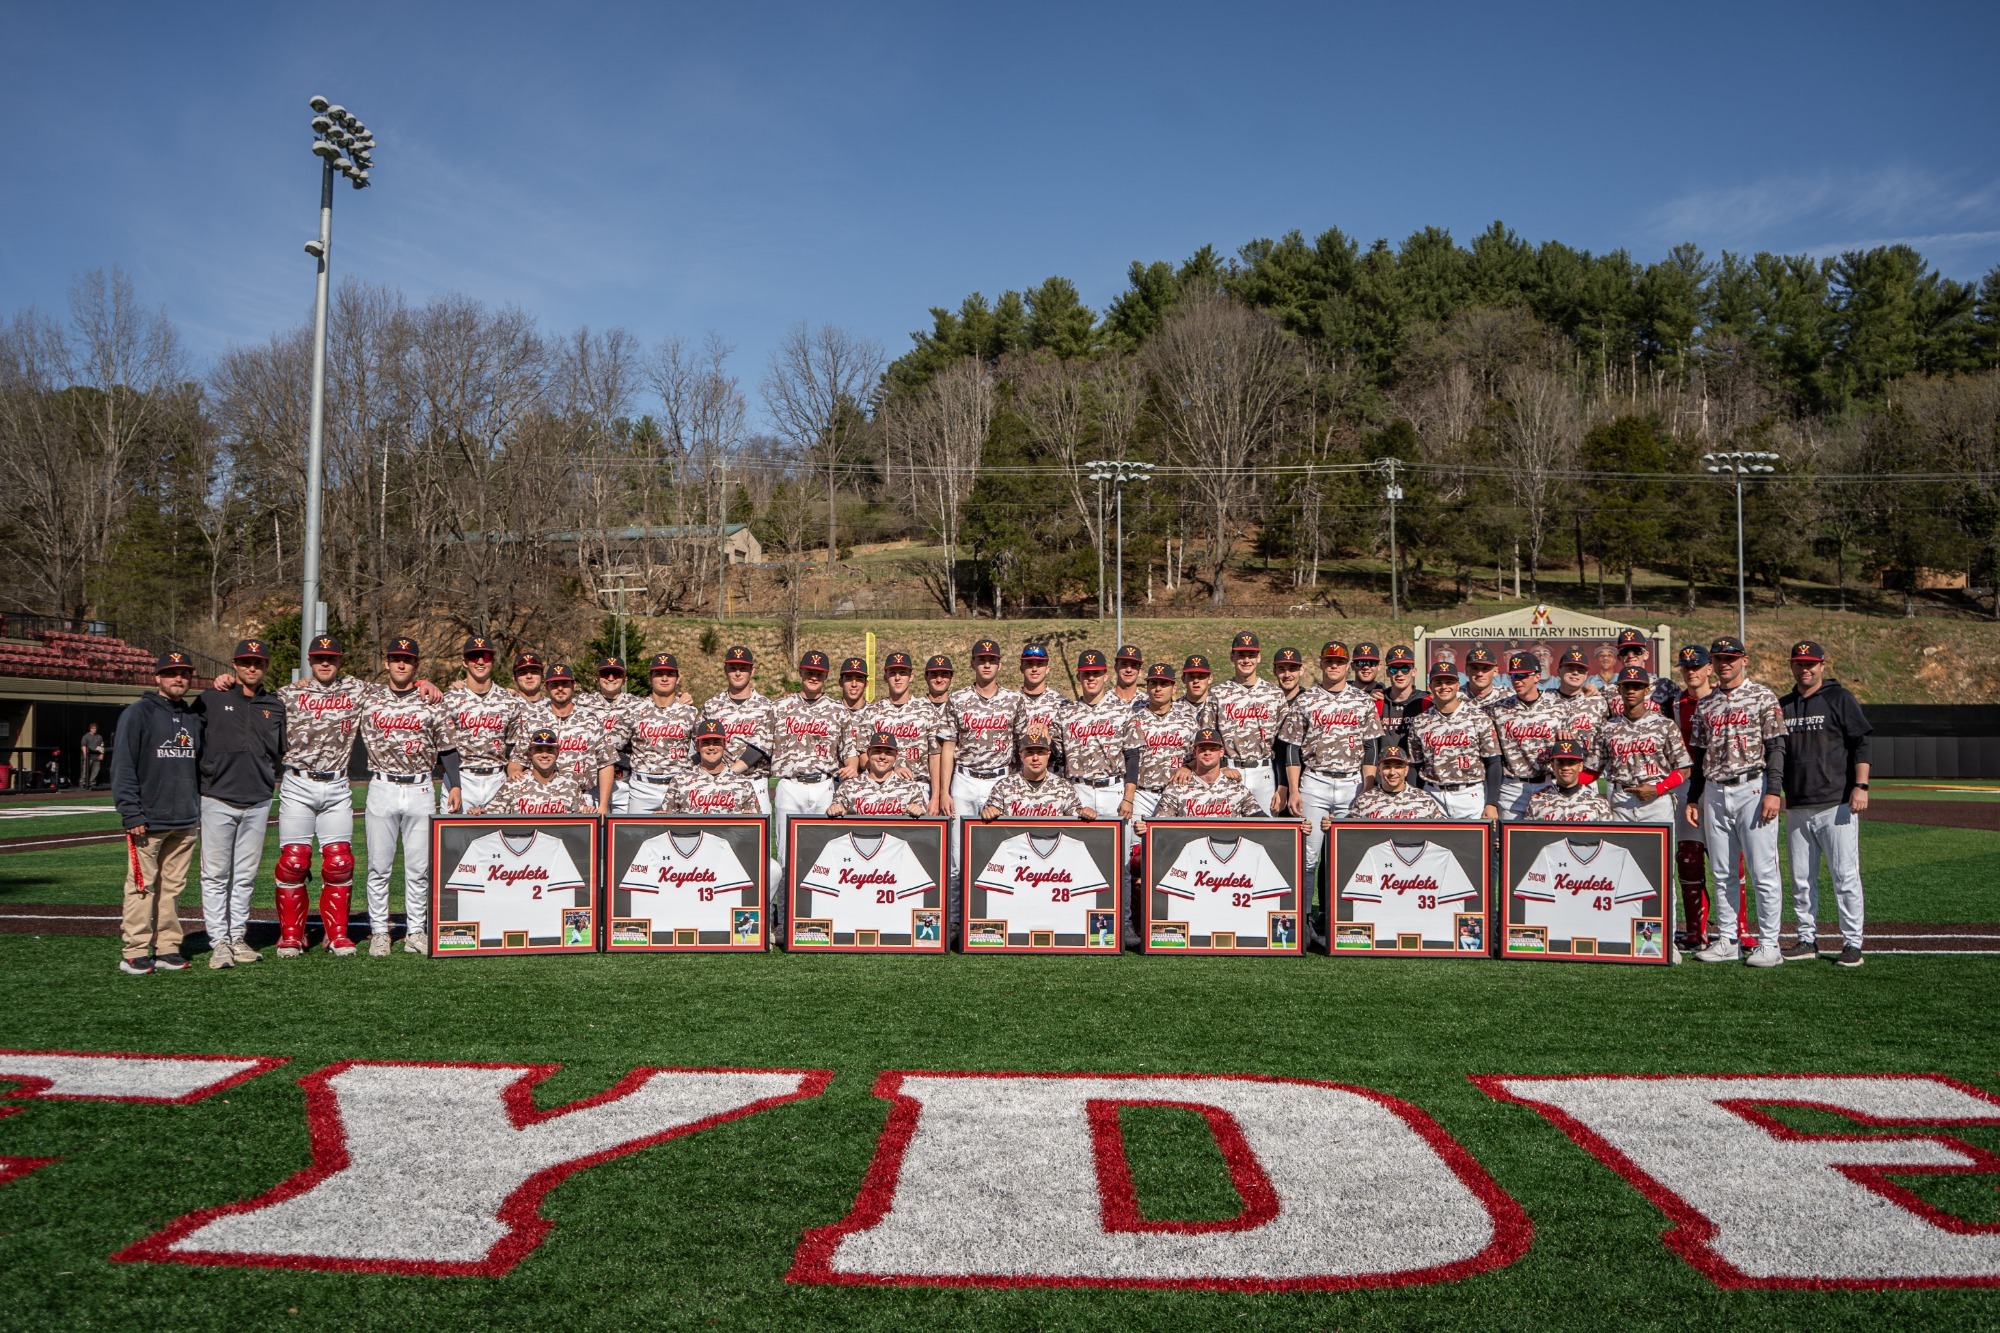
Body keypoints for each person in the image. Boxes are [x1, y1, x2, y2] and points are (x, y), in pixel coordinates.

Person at [1687, 635, 1789, 967]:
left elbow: (1776, 747)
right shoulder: (1706, 704)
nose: (1724, 663)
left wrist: (1774, 790)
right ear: (1712, 664)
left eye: (1730, 657)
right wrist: (1693, 797)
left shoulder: (1762, 696)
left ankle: (1770, 942)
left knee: (1762, 869)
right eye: (1718, 658)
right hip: (1715, 790)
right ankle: (1728, 939)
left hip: (1752, 787)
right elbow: (1699, 754)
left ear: (1744, 660)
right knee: (1722, 869)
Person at [357, 637, 460, 956]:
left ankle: (415, 930)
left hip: (420, 787)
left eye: (408, 659)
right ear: (386, 662)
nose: (401, 663)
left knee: (418, 867)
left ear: (416, 665)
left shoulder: (431, 699)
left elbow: (448, 747)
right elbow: (328, 684)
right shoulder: (367, 695)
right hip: (382, 786)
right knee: (379, 865)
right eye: (396, 658)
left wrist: (454, 783)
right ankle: (379, 932)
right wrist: (305, 679)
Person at [273, 635, 370, 958]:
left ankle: (337, 933)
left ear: (340, 661)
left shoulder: (357, 690)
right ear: (309, 661)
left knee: (340, 861)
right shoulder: (289, 693)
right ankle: (291, 934)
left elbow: (398, 692)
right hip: (298, 783)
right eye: (318, 658)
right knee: (294, 861)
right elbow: (251, 701)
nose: (324, 663)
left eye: (331, 658)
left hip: (337, 785)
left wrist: (428, 683)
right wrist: (226, 681)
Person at [109, 650, 203, 975]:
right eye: (171, 673)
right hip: (148, 821)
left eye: (184, 673)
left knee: (173, 889)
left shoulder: (192, 718)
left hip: (185, 819)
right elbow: (122, 765)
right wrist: (131, 813)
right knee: (141, 886)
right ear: (157, 678)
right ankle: (135, 950)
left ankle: (167, 947)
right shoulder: (138, 713)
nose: (179, 678)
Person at [194, 638, 285, 968]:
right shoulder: (211, 698)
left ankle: (236, 937)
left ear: (265, 667)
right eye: (246, 662)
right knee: (216, 875)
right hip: (218, 796)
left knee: (245, 876)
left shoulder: (274, 705)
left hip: (258, 800)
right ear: (233, 665)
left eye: (258, 663)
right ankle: (218, 940)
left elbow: (280, 750)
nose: (252, 667)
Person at [1779, 640, 1871, 967]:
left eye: (1811, 663)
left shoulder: (1839, 698)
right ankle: (1806, 939)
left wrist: (1860, 786)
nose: (1805, 669)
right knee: (1801, 878)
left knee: (1845, 876)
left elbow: (1860, 743)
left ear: (1822, 665)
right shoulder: (1784, 705)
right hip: (1798, 803)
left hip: (1836, 803)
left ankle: (1852, 943)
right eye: (1799, 663)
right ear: (1792, 666)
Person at [1277, 642, 1384, 883]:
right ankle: (1305, 918)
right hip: (1315, 780)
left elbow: (1371, 748)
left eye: (1339, 662)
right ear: (1321, 663)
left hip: (1352, 783)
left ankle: (1336, 918)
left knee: (1347, 855)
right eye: (1329, 661)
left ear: (1348, 665)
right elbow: (1292, 749)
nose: (1334, 665)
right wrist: (1293, 790)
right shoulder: (1306, 700)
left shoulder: (1362, 700)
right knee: (1307, 855)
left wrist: (1367, 788)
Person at [939, 639, 1025, 884]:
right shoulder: (957, 699)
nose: (986, 665)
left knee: (1002, 851)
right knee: (957, 853)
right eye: (981, 660)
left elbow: (1022, 746)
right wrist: (945, 792)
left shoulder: (1014, 700)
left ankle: (998, 911)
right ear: (972, 663)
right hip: (965, 779)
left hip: (1000, 779)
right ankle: (956, 917)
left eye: (992, 660)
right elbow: (948, 745)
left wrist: (1016, 785)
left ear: (999, 664)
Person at [747, 649, 844, 857]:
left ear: (826, 676)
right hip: (790, 785)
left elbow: (850, 753)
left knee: (825, 853)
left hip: (824, 786)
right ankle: (784, 892)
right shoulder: (780, 707)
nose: (814, 677)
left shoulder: (838, 710)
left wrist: (852, 767)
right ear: (801, 672)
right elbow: (759, 746)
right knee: (786, 852)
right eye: (809, 672)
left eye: (819, 673)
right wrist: (732, 772)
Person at [839, 651, 946, 808]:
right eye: (892, 673)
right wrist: (893, 768)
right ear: (885, 677)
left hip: (919, 784)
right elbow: (863, 757)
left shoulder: (927, 710)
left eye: (902, 673)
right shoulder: (872, 712)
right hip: (882, 788)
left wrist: (936, 796)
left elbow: (935, 755)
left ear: (911, 676)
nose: (897, 678)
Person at [1403, 661, 1502, 820]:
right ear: (1430, 686)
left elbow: (1493, 762)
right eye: (1438, 682)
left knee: (1473, 844)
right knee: (1434, 843)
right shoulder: (1420, 721)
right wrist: (1415, 798)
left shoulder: (1478, 717)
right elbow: (1414, 765)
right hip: (1433, 793)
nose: (1444, 687)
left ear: (1458, 685)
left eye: (1449, 682)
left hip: (1469, 794)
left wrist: (1492, 803)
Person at [1594, 666, 1691, 826]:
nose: (1631, 691)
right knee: (1621, 850)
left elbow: (1684, 769)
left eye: (1637, 686)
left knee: (1658, 851)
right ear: (1619, 690)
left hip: (1656, 801)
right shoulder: (1607, 728)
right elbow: (1592, 770)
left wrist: (1659, 788)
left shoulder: (1665, 725)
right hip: (1621, 801)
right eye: (1626, 686)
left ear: (1646, 691)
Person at [439, 636, 523, 816]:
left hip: (497, 778)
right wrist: (455, 785)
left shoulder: (509, 701)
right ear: (464, 662)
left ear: (492, 660)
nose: (479, 661)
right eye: (473, 656)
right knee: (454, 841)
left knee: (498, 840)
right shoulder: (451, 699)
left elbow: (512, 746)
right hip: (462, 777)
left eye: (485, 656)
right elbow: (447, 747)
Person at [1206, 632, 1288, 816]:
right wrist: (1221, 767)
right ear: (1232, 657)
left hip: (1264, 770)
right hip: (1229, 770)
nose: (1246, 660)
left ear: (1258, 658)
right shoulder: (1218, 693)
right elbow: (1209, 737)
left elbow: (1284, 744)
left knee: (1265, 830)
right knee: (1226, 829)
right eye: (1241, 655)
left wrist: (1282, 785)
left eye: (1251, 655)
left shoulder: (1274, 693)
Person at [512, 665, 614, 811]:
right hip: (540, 795)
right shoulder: (534, 721)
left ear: (574, 685)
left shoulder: (591, 721)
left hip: (583, 798)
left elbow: (606, 762)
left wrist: (603, 805)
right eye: (554, 684)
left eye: (565, 684)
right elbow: (517, 761)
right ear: (546, 686)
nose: (560, 688)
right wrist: (515, 773)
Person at [1671, 644, 1719, 949]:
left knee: (1728, 860)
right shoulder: (1678, 703)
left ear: (1709, 669)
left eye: (1696, 666)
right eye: (1686, 668)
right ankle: (1694, 931)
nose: (1691, 672)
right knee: (1688, 858)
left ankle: (1734, 930)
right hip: (1687, 784)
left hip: (1717, 783)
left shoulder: (1722, 699)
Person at [1057, 650, 1130, 839]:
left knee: (1120, 853)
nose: (1091, 678)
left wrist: (1128, 798)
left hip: (1114, 789)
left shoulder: (1122, 710)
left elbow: (1133, 756)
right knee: (1078, 847)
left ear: (1105, 676)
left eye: (1096, 673)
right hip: (1079, 790)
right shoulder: (1066, 713)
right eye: (1086, 674)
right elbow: (1057, 756)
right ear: (1078, 676)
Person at [617, 653, 701, 814]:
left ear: (678, 678)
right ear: (650, 678)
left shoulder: (690, 712)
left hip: (679, 785)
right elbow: (612, 747)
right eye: (658, 674)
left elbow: (704, 748)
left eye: (670, 674)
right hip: (642, 788)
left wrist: (689, 766)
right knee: (638, 836)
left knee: (680, 836)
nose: (664, 679)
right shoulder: (635, 710)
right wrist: (634, 762)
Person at [1488, 651, 1567, 819]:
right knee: (1509, 840)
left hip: (1547, 783)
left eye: (1523, 675)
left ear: (1537, 677)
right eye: (1513, 675)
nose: (1518, 680)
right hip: (1512, 786)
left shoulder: (1558, 707)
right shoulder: (1498, 708)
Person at [701, 645, 778, 815]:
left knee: (758, 839)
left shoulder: (766, 706)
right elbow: (702, 745)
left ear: (752, 670)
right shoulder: (711, 705)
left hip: (754, 781)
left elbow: (759, 749)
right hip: (719, 784)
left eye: (743, 668)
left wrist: (728, 773)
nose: (737, 673)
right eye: (733, 668)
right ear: (725, 669)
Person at [1139, 726, 1263, 829]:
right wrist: (1145, 827)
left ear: (1221, 752)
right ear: (1195, 753)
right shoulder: (1177, 787)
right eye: (1202, 749)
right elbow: (1160, 824)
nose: (1207, 753)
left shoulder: (1235, 787)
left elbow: (1260, 818)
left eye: (1213, 749)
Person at [476, 727, 589, 814]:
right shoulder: (514, 784)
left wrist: (588, 812)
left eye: (550, 750)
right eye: (539, 750)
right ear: (530, 753)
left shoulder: (570, 786)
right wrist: (478, 813)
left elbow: (583, 823)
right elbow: (491, 816)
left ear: (557, 754)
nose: (544, 755)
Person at [983, 727, 1089, 819]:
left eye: (1040, 752)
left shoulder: (1063, 787)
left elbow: (1076, 818)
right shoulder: (1004, 786)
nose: (1035, 758)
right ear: (1021, 755)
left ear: (1048, 754)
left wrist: (1085, 813)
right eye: (1029, 753)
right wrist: (990, 812)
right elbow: (990, 815)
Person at [828, 729, 930, 818]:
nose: (882, 756)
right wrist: (835, 809)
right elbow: (835, 813)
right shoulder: (848, 787)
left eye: (888, 752)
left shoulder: (910, 788)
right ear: (868, 753)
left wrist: (919, 811)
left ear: (896, 756)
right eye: (877, 751)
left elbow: (926, 825)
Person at [1342, 744, 1445, 821]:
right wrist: (1332, 824)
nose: (1392, 772)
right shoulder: (1364, 800)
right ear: (1379, 770)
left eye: (1398, 767)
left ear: (1406, 770)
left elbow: (1443, 831)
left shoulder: (1424, 799)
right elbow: (1347, 832)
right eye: (1387, 767)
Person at [1527, 739, 1613, 821]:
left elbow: (1607, 835)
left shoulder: (1598, 802)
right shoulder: (1537, 801)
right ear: (1553, 766)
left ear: (1580, 766)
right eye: (1560, 762)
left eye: (1571, 762)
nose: (1565, 767)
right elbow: (1527, 835)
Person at [1549, 647, 1610, 758]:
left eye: (1580, 670)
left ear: (1586, 675)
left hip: (1585, 769)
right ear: (1558, 671)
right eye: (1570, 668)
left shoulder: (1598, 702)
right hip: (1550, 768)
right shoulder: (1544, 699)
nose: (1575, 673)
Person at [1014, 644, 1068, 764]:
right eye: (1029, 664)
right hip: (1018, 774)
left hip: (1053, 773)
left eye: (1039, 664)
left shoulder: (1062, 703)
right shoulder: (1010, 701)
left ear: (1047, 668)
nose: (1034, 669)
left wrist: (1049, 741)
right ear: (1021, 668)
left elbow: (1068, 750)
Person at [1378, 645, 1428, 746]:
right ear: (1387, 673)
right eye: (1394, 669)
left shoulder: (1426, 702)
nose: (1399, 674)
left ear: (1414, 672)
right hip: (1385, 761)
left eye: (1405, 669)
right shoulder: (1378, 701)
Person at [1461, 645, 1505, 710]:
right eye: (1475, 668)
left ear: (1495, 671)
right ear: (1466, 671)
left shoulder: (1507, 696)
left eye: (1486, 668)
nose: (1480, 674)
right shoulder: (1454, 697)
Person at [80, 722, 105, 789]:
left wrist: (102, 754)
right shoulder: (86, 736)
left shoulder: (99, 737)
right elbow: (83, 746)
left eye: (95, 728)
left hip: (96, 757)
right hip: (89, 756)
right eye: (93, 728)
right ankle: (83, 783)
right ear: (90, 729)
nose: (94, 729)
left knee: (96, 770)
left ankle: (92, 783)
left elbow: (101, 746)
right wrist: (85, 755)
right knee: (85, 770)